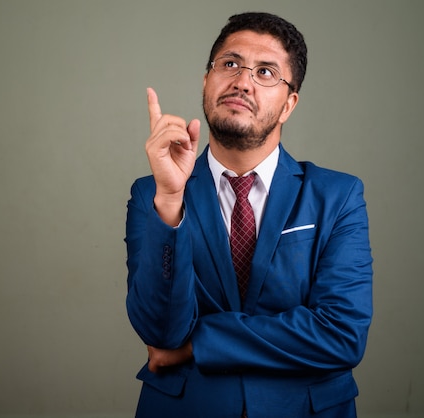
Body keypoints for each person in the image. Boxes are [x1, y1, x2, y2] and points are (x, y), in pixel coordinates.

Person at [125, 12, 373, 418]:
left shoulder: (337, 196)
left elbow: (341, 335)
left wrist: (197, 343)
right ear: (207, 80)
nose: (242, 81)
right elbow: (161, 333)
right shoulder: (152, 193)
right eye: (230, 64)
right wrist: (171, 198)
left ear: (289, 103)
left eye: (265, 72)